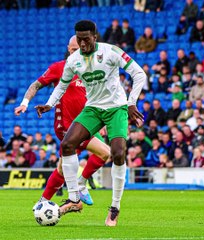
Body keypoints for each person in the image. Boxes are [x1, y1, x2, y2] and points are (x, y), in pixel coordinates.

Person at [35, 20, 147, 226]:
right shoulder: (74, 60)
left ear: (95, 37)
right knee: (67, 145)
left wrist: (132, 102)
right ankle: (74, 198)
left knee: (118, 152)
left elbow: (139, 74)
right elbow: (61, 86)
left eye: (86, 39)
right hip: (93, 108)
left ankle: (115, 207)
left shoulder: (111, 51)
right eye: (79, 39)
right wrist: (49, 104)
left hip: (116, 108)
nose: (83, 43)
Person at [14, 35, 111, 211]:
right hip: (67, 126)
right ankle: (80, 187)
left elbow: (96, 98)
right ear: (68, 49)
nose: (76, 52)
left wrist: (102, 122)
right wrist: (24, 103)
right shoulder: (59, 68)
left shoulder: (89, 69)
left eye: (79, 49)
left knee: (61, 168)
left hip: (87, 123)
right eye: (73, 49)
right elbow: (35, 85)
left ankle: (43, 201)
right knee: (105, 152)